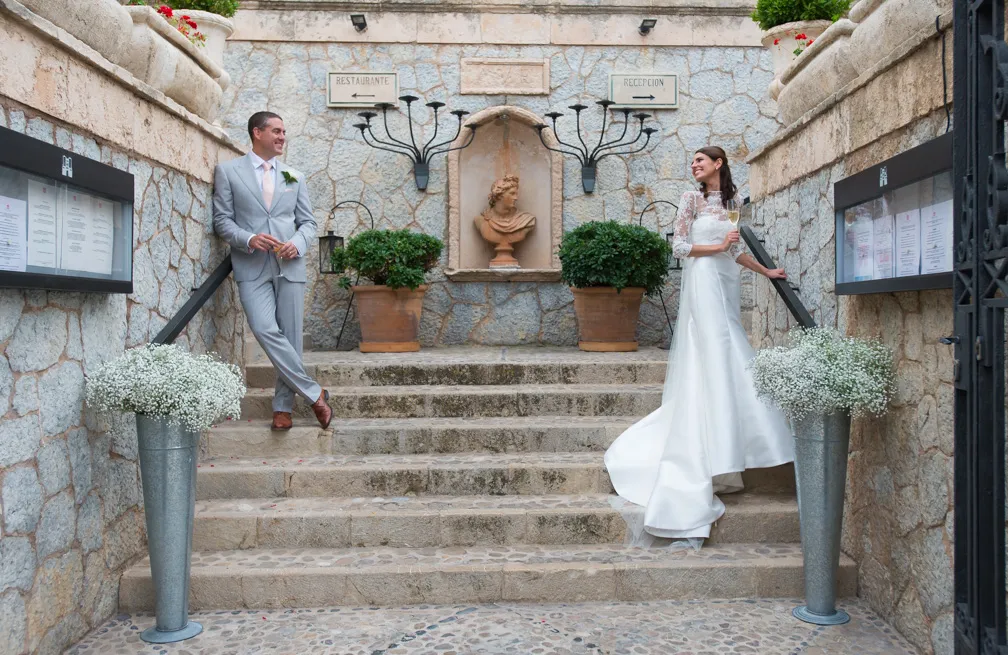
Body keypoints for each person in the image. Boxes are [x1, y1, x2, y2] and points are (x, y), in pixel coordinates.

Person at [604, 146, 794, 540]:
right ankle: (707, 446)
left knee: (730, 343)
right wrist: (716, 248)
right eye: (692, 161)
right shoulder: (690, 198)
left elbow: (737, 248)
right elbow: (679, 247)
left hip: (726, 281)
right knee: (716, 346)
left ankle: (727, 444)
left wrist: (767, 271)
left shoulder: (734, 200)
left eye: (700, 160)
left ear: (719, 164)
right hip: (704, 278)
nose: (694, 165)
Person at [212, 111, 332, 432]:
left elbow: (308, 223)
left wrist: (297, 243)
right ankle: (314, 392)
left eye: (284, 132)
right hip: (251, 266)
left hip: (289, 265)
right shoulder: (228, 172)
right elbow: (222, 221)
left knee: (291, 338)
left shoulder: (294, 176)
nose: (282, 137)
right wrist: (249, 238)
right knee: (265, 329)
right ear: (257, 133)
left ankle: (283, 407)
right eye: (276, 131)